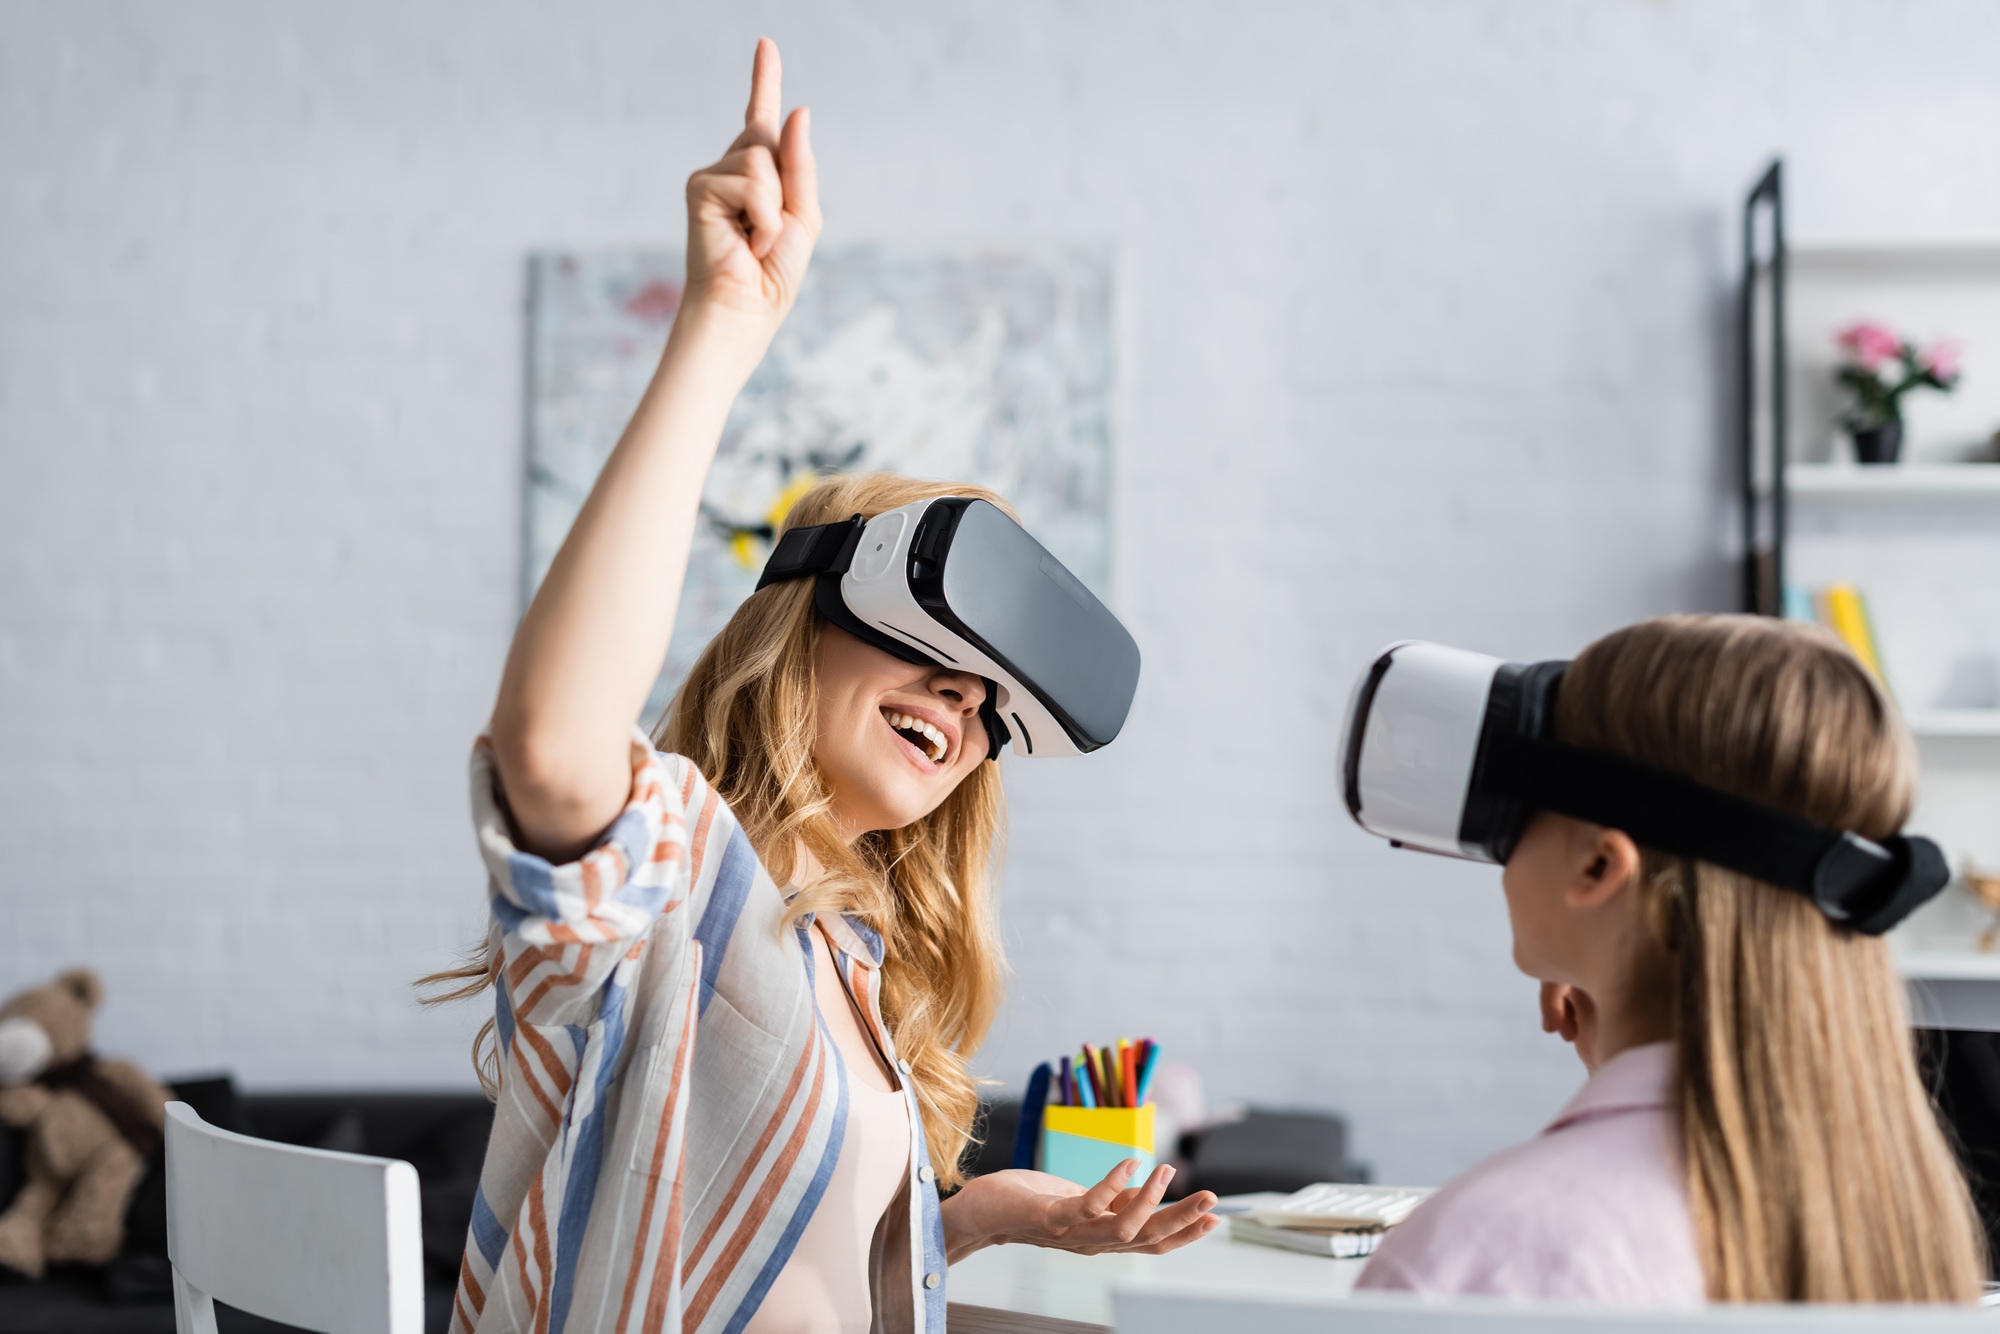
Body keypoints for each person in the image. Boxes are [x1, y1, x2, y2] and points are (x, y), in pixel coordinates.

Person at [422, 38, 1217, 1334]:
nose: (961, 707)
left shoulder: (846, 951)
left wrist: (982, 1212)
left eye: (987, 700)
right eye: (930, 653)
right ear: (806, 628)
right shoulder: (684, 884)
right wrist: (721, 327)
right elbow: (557, 752)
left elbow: (789, 1260)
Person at [1356, 614, 1986, 1304]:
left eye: (1514, 818)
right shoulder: (1900, 1213)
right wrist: (1628, 1046)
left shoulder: (1476, 1256)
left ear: (1599, 864)